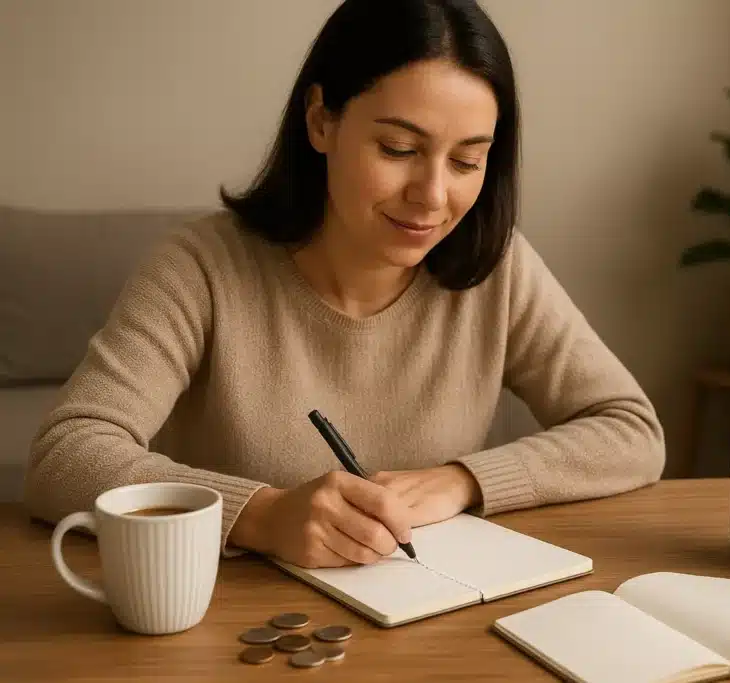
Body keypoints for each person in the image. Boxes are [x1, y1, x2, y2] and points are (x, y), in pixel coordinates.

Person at [23, 0, 665, 569]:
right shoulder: (200, 268)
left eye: (468, 160)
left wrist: (463, 479)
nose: (433, 196)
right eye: (397, 148)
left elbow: (630, 430)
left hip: (427, 625)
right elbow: (65, 456)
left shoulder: (497, 269)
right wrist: (263, 516)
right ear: (321, 122)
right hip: (235, 631)